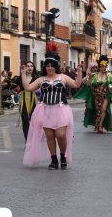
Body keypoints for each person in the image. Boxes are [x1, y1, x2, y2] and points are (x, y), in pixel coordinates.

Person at [21, 42, 82, 170]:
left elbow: (76, 84)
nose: (50, 68)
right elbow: (27, 88)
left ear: (56, 66)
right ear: (45, 67)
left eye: (52, 66)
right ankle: (54, 160)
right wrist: (23, 74)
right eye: (47, 66)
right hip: (45, 110)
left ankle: (63, 156)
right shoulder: (41, 79)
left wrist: (80, 72)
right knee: (49, 136)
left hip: (61, 110)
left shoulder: (63, 77)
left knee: (60, 135)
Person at [75, 55, 112, 133]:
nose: (104, 68)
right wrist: (89, 78)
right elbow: (88, 84)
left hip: (106, 95)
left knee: (104, 109)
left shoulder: (109, 75)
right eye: (102, 66)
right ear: (99, 67)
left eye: (105, 66)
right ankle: (97, 125)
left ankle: (100, 126)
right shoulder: (94, 75)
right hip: (96, 96)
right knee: (98, 111)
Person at [14, 61, 39, 140]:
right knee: (25, 120)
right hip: (24, 100)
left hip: (34, 100)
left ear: (33, 68)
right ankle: (27, 139)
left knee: (34, 120)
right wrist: (22, 73)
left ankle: (34, 138)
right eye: (28, 66)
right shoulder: (20, 78)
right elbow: (12, 85)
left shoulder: (37, 78)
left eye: (31, 66)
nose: (29, 68)